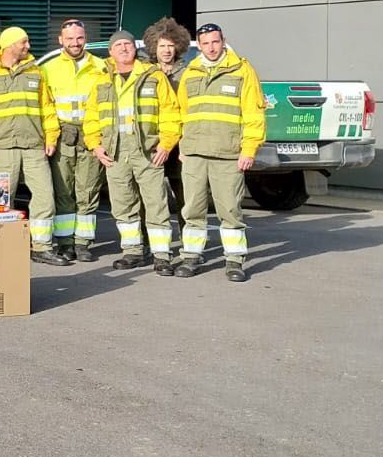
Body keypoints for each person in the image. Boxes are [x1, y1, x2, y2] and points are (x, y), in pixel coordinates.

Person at [82, 30, 180, 276]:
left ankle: (162, 256)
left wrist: (166, 144)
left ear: (134, 49)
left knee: (156, 203)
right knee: (123, 205)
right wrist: (95, 145)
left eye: (127, 44)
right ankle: (133, 252)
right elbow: (92, 117)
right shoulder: (102, 80)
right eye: (118, 45)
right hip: (114, 151)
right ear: (111, 51)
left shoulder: (153, 76)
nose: (124, 48)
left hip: (146, 150)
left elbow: (170, 112)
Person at [174, 23, 265, 282]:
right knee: (192, 209)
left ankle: (234, 261)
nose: (211, 47)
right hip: (194, 153)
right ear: (199, 45)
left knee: (230, 210)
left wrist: (249, 150)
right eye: (205, 43)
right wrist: (183, 145)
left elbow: (254, 114)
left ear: (223, 40)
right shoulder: (191, 72)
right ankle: (190, 256)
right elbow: (182, 113)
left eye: (215, 42)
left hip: (228, 154)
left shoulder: (242, 70)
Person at [0, 27, 69, 266]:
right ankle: (4, 247)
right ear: (9, 45)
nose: (28, 46)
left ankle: (42, 246)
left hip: (34, 145)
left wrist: (51, 136)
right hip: (1, 146)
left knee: (45, 197)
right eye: (24, 42)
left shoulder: (37, 72)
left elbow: (47, 108)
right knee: (2, 200)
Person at [41, 18, 108, 262]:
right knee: (63, 191)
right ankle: (65, 242)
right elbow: (45, 106)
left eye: (79, 38)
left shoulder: (101, 67)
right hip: (62, 136)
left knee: (87, 191)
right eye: (69, 39)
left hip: (91, 135)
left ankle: (83, 243)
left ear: (85, 38)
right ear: (60, 40)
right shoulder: (48, 69)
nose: (75, 43)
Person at [143, 16, 192, 217]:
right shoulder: (144, 73)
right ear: (154, 46)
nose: (166, 50)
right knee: (149, 198)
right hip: (152, 142)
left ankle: (189, 241)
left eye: (170, 45)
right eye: (162, 45)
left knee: (185, 197)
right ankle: (148, 241)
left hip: (180, 143)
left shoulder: (188, 74)